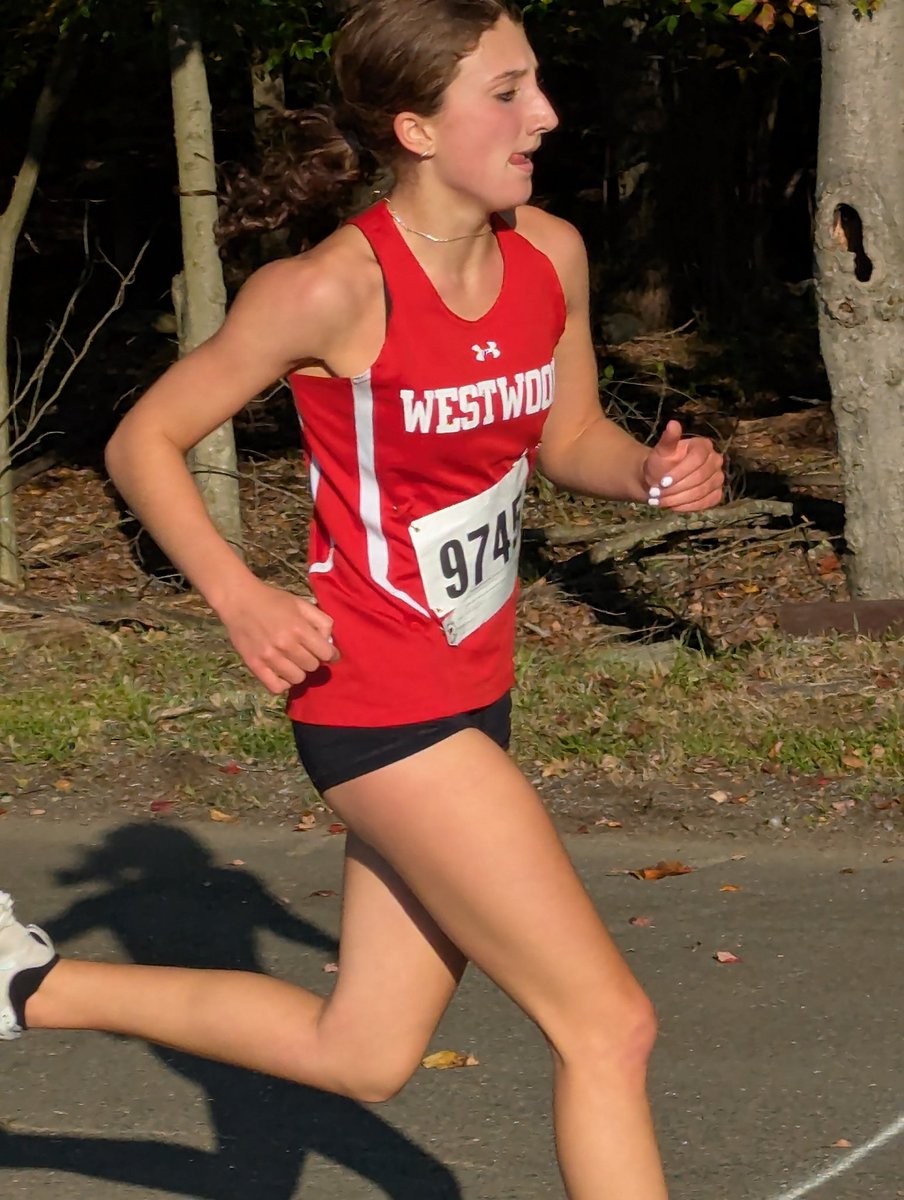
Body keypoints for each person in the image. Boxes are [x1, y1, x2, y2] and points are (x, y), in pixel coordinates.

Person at [0, 2, 723, 1197]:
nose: (542, 113)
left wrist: (646, 472)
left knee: (366, 1054)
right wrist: (238, 596)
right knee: (610, 1026)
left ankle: (26, 985)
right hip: (382, 707)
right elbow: (144, 441)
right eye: (507, 92)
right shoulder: (331, 288)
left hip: (473, 690)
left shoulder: (550, 253)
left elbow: (570, 433)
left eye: (536, 84)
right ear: (416, 127)